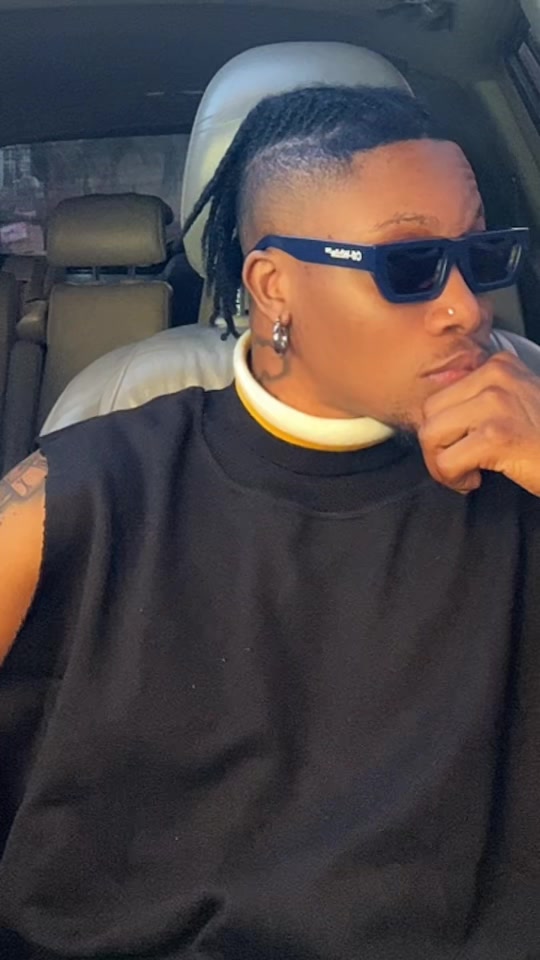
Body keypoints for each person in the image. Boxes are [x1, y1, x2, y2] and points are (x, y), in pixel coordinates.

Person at [1, 84, 540, 960]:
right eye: (409, 265)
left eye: (481, 257)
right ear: (274, 286)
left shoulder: (522, 481)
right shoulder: (84, 494)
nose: (468, 308)